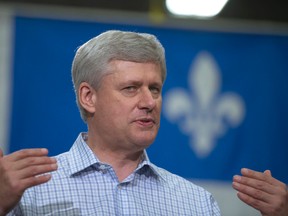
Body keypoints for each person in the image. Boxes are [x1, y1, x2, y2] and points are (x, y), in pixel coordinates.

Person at [0, 30, 286, 216]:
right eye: (131, 88)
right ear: (89, 97)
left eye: (156, 89)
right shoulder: (27, 191)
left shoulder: (196, 204)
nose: (150, 102)